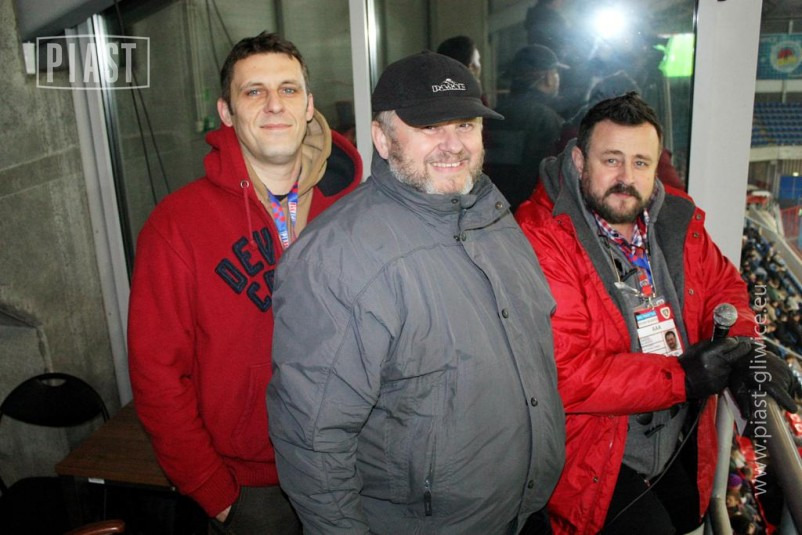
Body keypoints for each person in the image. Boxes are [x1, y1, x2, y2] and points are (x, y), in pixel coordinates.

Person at [267, 51, 565, 534]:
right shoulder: (336, 258)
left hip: (522, 512)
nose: (454, 145)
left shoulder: (493, 216)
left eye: (466, 125)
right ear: (382, 139)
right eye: (429, 127)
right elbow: (313, 440)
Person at [515, 92, 798, 534]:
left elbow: (726, 288)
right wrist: (683, 378)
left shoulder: (675, 219)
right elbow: (566, 373)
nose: (626, 178)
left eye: (641, 163)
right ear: (578, 161)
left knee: (690, 514)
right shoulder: (542, 235)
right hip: (592, 447)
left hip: (674, 434)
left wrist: (743, 347)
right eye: (611, 160)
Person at [127, 31, 362, 533]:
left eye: (288, 89)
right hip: (253, 491)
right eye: (254, 91)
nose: (274, 104)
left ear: (309, 105)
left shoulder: (354, 207)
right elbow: (156, 374)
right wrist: (215, 493)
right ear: (227, 112)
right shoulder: (176, 226)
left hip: (360, 467)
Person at [485, 44, 565, 211]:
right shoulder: (547, 119)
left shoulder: (494, 115)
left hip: (493, 209)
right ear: (547, 77)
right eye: (556, 72)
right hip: (531, 214)